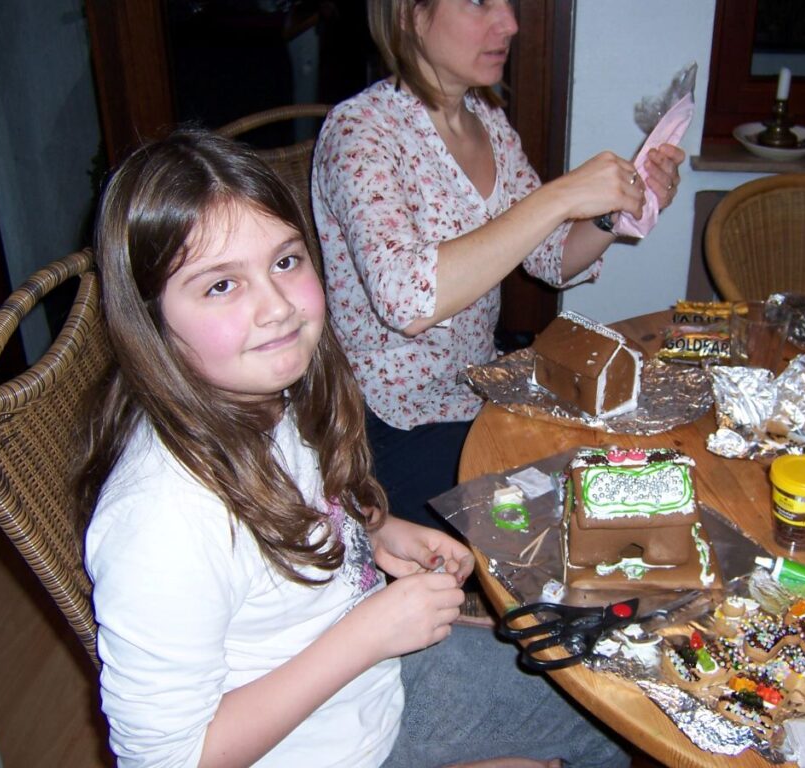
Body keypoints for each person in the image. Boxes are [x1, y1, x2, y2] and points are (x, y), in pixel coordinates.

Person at [76, 128, 630, 767]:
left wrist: (377, 530)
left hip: (373, 688)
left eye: (285, 262)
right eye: (220, 286)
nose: (277, 307)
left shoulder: (265, 395)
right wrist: (366, 636)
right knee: (605, 724)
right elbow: (164, 759)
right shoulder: (159, 519)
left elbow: (298, 520)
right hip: (334, 743)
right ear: (149, 320)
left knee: (606, 699)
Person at [312, 0, 686, 530]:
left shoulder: (488, 123)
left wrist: (615, 213)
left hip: (476, 390)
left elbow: (553, 256)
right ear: (408, 14)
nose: (509, 24)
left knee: (614, 464)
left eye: (509, 3)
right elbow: (408, 303)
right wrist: (560, 196)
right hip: (385, 425)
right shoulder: (360, 131)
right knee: (560, 519)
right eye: (479, 2)